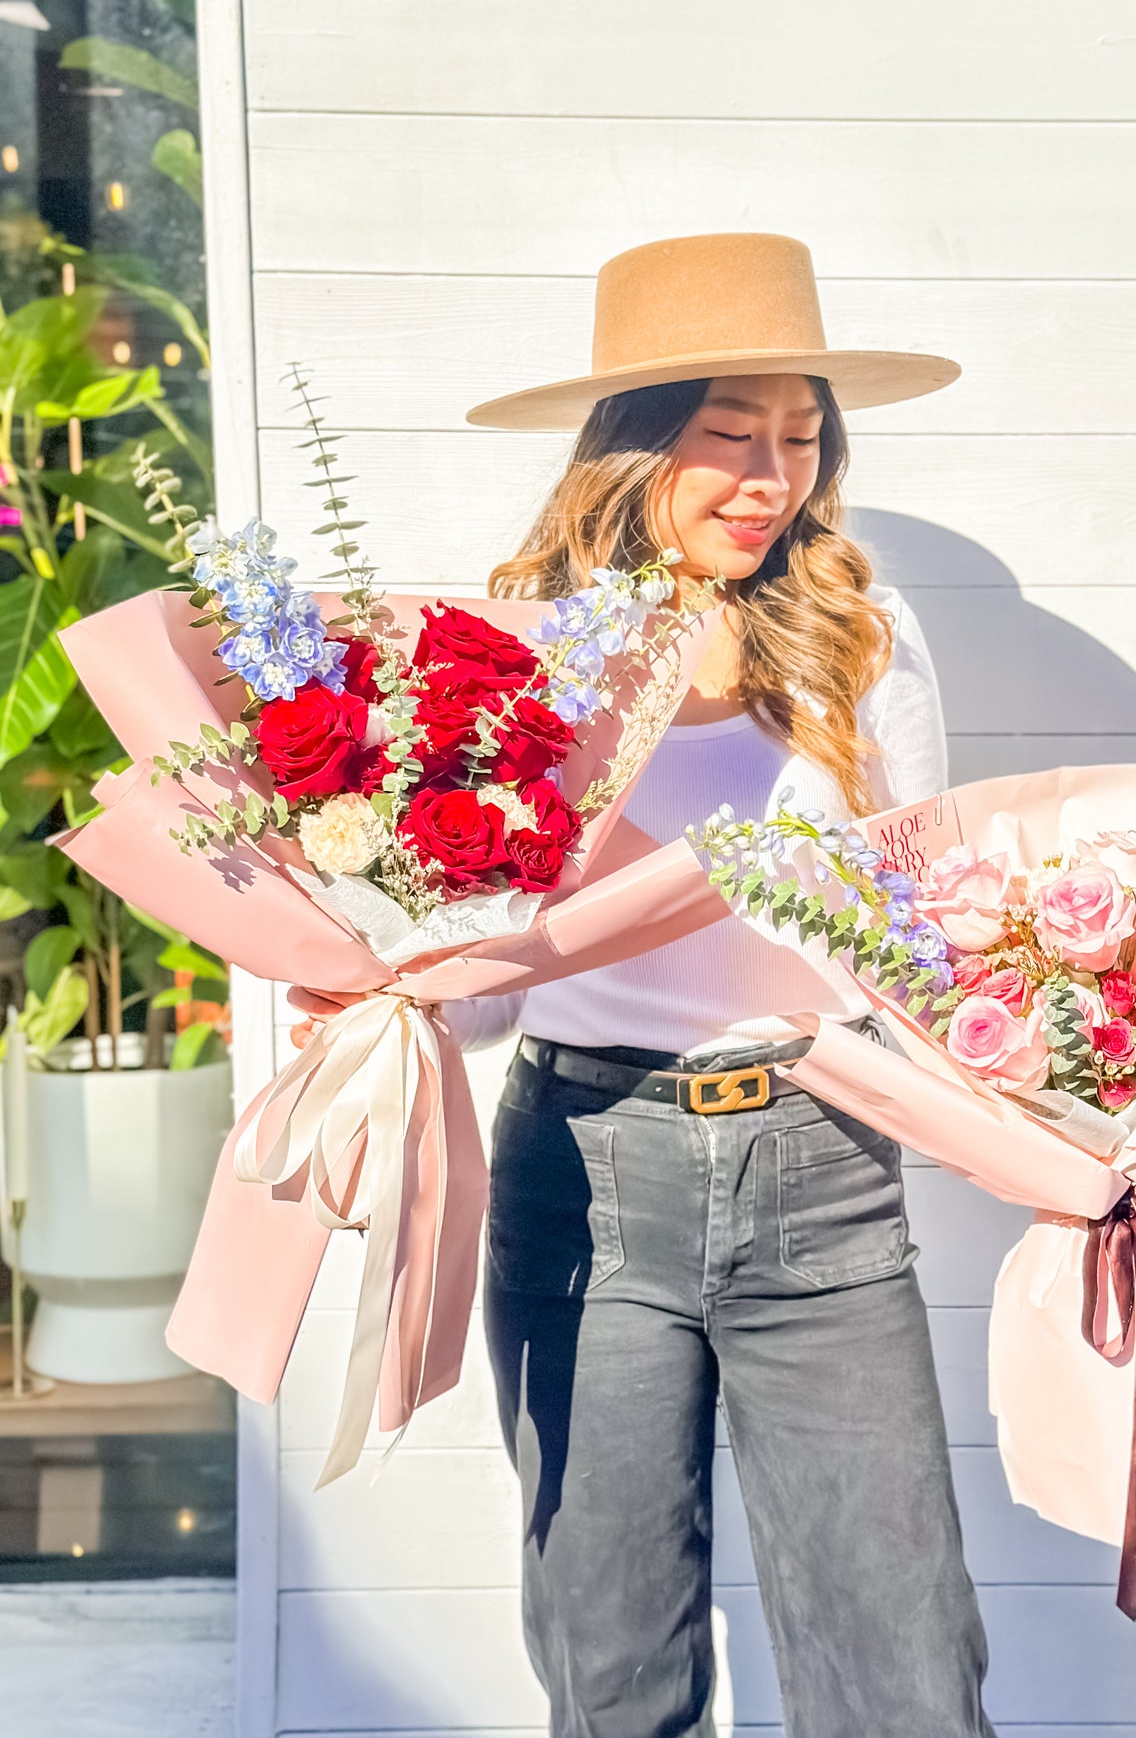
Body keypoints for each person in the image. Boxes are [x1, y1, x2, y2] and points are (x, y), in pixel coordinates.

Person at [291, 233, 995, 1738]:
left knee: (905, 1678)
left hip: (820, 1171)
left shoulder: (867, 640)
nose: (769, 479)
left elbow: (925, 930)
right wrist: (373, 996)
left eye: (799, 441)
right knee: (610, 1665)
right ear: (630, 449)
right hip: (582, 1175)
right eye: (728, 437)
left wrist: (1063, 1080)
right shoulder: (508, 659)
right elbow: (484, 989)